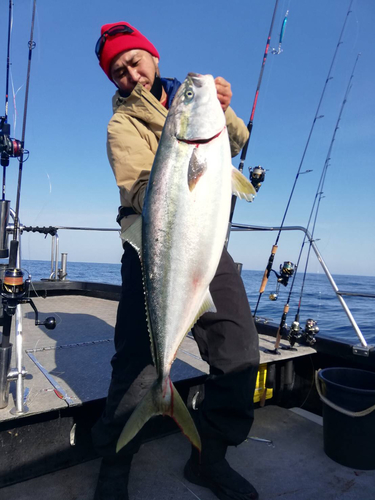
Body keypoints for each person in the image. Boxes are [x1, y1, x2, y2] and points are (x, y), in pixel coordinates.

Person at [92, 21, 260, 500]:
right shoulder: (121, 123)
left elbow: (237, 140)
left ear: (154, 57)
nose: (132, 75)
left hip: (205, 248)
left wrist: (223, 111)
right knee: (137, 366)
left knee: (240, 350)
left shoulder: (191, 105)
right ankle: (114, 466)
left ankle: (210, 457)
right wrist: (176, 174)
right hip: (153, 244)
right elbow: (138, 186)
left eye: (135, 62)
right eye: (119, 72)